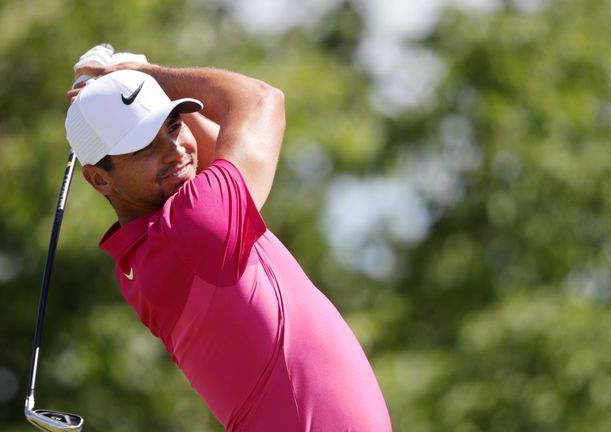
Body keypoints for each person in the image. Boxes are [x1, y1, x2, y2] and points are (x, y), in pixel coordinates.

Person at [64, 45, 392, 431]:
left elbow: (209, 155)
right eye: (145, 146)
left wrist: (130, 83)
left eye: (173, 126)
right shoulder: (194, 228)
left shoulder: (154, 245)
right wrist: (150, 72)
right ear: (99, 178)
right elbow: (261, 99)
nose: (174, 150)